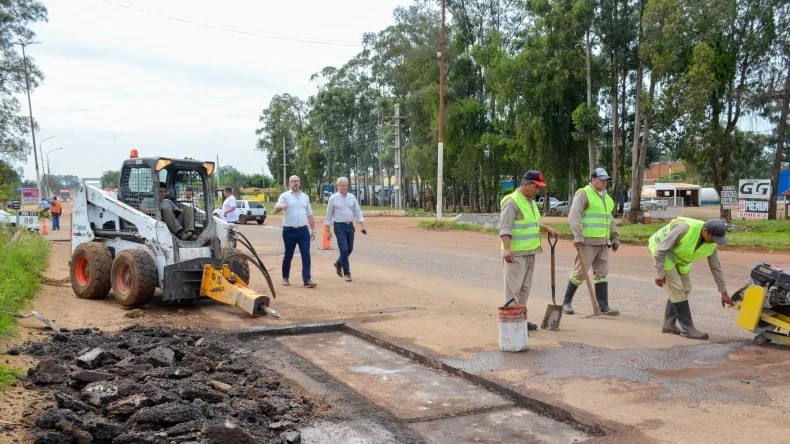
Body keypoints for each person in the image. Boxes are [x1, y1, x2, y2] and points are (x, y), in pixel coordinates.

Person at [649, 217, 734, 340]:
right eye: (714, 238)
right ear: (705, 231)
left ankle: (668, 325)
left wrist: (724, 292)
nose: (714, 242)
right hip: (661, 253)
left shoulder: (711, 245)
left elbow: (716, 267)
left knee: (686, 287)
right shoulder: (684, 229)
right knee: (677, 290)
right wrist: (659, 272)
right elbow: (661, 249)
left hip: (678, 258)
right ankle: (688, 329)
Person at [500, 170, 558, 331]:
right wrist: (507, 249)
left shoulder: (530, 202)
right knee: (513, 289)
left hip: (530, 251)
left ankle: (521, 319)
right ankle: (512, 322)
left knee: (525, 288)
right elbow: (505, 227)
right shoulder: (511, 201)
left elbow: (532, 223)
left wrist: (546, 228)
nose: (537, 191)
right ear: (525, 184)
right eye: (535, 187)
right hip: (515, 253)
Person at [561, 167, 620, 316]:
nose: (604, 182)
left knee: (602, 273)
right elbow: (574, 215)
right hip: (587, 242)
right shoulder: (584, 194)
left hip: (603, 242)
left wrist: (615, 236)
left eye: (606, 180)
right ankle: (566, 302)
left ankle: (603, 306)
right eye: (601, 179)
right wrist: (578, 236)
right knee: (580, 273)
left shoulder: (607, 198)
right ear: (593, 179)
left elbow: (609, 219)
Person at [274, 175, 317, 288]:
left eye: (297, 181)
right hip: (289, 231)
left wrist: (313, 229)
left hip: (303, 230)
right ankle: (285, 277)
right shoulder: (285, 196)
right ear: (289, 184)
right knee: (288, 255)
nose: (296, 183)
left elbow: (309, 213)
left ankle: (307, 280)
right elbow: (277, 207)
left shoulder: (305, 197)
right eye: (293, 181)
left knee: (306, 254)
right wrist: (282, 206)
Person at [325, 177, 367, 282]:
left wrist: (362, 225)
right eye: (342, 185)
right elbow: (328, 215)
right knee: (343, 250)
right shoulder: (333, 198)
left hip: (350, 226)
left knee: (349, 249)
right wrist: (328, 231)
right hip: (339, 226)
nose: (344, 187)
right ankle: (347, 273)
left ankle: (339, 263)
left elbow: (357, 211)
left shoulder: (352, 197)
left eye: (346, 185)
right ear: (338, 186)